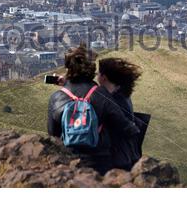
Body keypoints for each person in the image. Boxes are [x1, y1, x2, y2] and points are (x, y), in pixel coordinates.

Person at [47, 44, 140, 175]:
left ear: (68, 67)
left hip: (69, 165)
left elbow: (53, 135)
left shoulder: (56, 98)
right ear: (91, 68)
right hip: (100, 164)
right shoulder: (102, 94)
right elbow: (126, 128)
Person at [97, 57, 143, 171]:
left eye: (98, 73)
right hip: (126, 154)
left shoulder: (113, 100)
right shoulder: (121, 94)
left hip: (118, 159)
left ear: (103, 77)